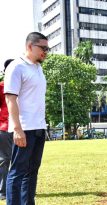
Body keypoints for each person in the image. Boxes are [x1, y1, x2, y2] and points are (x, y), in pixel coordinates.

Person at [4, 32, 49, 205]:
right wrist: (17, 129)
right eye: (43, 48)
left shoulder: (38, 67)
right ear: (29, 46)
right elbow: (10, 99)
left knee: (32, 171)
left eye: (47, 48)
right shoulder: (16, 67)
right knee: (17, 171)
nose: (45, 52)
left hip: (39, 126)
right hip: (23, 128)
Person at [0, 59, 14, 200]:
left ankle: (20, 189)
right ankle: (3, 192)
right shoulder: (1, 87)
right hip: (4, 128)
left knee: (22, 160)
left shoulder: (23, 87)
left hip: (22, 127)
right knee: (5, 160)